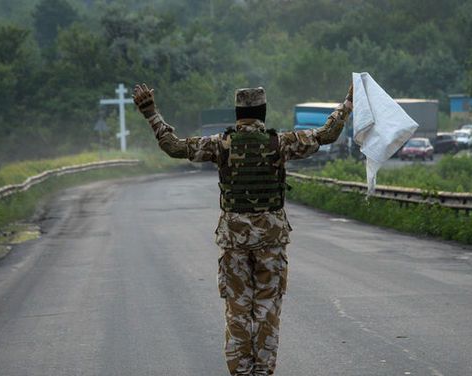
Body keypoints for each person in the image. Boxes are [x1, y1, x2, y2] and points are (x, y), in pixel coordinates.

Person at [133, 83, 353, 376]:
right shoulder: (282, 143)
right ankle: (262, 371)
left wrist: (151, 113)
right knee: (267, 311)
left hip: (234, 240)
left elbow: (173, 147)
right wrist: (347, 103)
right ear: (263, 111)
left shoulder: (219, 144)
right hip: (271, 241)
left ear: (237, 113)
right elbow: (327, 135)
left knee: (237, 312)